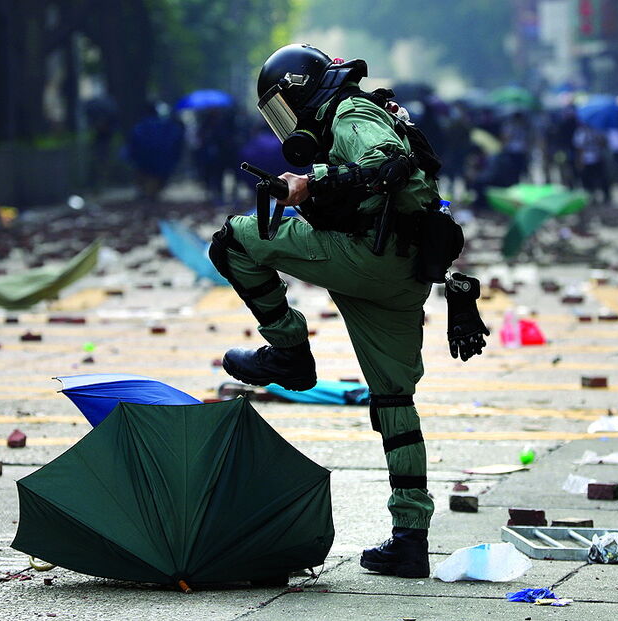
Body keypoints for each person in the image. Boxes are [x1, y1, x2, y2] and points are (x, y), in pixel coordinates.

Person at [208, 44, 488, 579]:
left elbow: (386, 162)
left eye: (284, 109)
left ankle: (289, 352)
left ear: (301, 89)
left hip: (368, 256)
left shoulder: (350, 112)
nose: (286, 124)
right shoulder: (361, 110)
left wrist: (310, 185)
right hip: (403, 274)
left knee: (234, 242)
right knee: (393, 402)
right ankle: (410, 540)